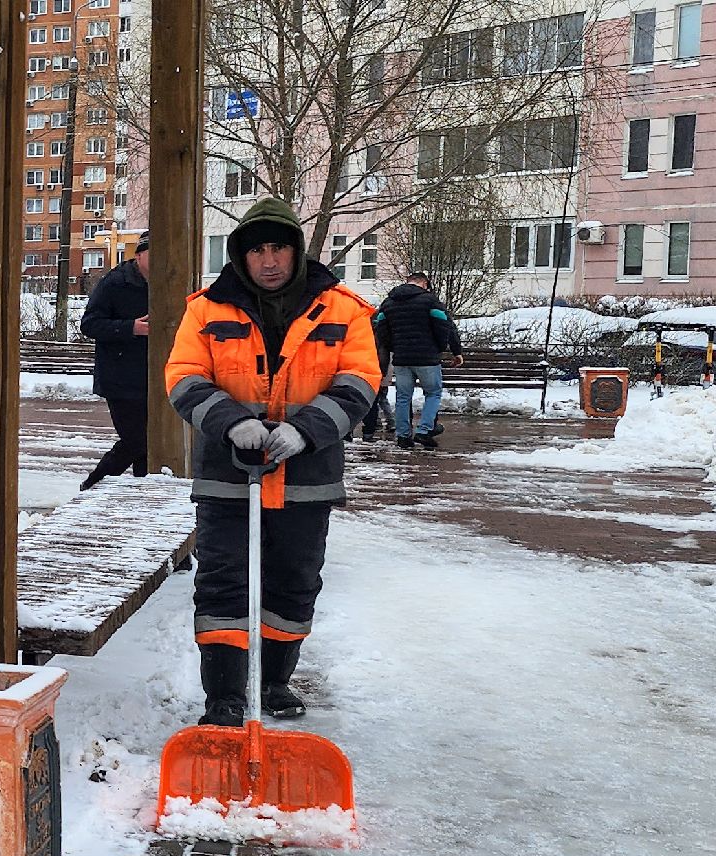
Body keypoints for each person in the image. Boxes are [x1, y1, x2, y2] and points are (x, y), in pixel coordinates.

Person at [166, 198, 382, 725]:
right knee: (223, 583)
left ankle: (273, 683)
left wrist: (306, 431)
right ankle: (224, 695)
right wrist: (230, 422)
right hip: (228, 476)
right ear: (241, 255)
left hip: (307, 478)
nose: (269, 260)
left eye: (278, 248)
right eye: (258, 250)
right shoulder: (206, 310)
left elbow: (359, 382)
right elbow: (184, 377)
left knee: (293, 581)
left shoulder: (343, 309)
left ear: (296, 250)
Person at [78, 230, 151, 490]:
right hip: (119, 379)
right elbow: (89, 324)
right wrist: (130, 328)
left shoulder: (168, 283)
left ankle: (145, 492)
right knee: (136, 441)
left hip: (153, 378)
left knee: (149, 444)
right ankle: (92, 486)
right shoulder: (115, 283)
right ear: (139, 256)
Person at [373, 272, 462, 449]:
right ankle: (424, 431)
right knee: (433, 393)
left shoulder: (389, 303)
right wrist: (446, 348)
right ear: (424, 283)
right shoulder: (430, 301)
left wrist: (394, 346)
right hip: (427, 358)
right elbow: (445, 325)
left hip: (401, 358)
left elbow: (380, 328)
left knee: (403, 397)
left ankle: (403, 436)